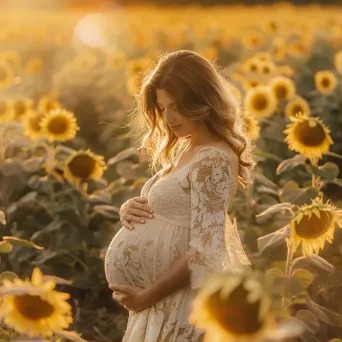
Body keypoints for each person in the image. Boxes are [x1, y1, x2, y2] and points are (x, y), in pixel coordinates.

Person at [104, 50, 256, 342]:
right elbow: (168, 210)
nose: (168, 118)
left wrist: (147, 296)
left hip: (180, 306)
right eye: (162, 108)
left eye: (177, 106)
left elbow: (206, 250)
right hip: (160, 306)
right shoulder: (188, 148)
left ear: (202, 100)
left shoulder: (213, 159)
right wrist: (129, 210)